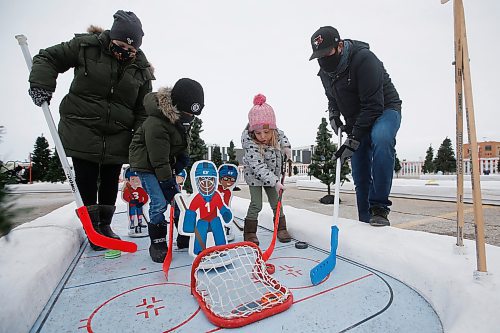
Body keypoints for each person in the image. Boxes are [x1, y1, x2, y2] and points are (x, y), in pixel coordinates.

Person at [28, 10, 154, 250]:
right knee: (85, 176)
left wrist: (139, 136)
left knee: (109, 179)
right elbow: (48, 57)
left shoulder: (140, 69)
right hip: (82, 124)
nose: (124, 54)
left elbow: (143, 108)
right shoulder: (86, 46)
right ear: (110, 39)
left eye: (130, 51)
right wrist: (41, 84)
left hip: (117, 131)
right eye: (119, 47)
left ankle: (104, 226)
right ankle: (91, 226)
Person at [309, 26, 402, 227]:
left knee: (382, 137)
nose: (324, 59)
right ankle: (365, 220)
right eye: (319, 55)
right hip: (356, 120)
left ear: (340, 45)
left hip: (384, 109)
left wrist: (353, 140)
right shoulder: (325, 72)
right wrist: (333, 114)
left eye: (327, 53)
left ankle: (379, 207)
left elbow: (373, 105)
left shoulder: (365, 60)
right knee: (360, 171)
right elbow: (331, 97)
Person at [129, 78, 204, 263]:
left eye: (192, 115)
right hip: (147, 165)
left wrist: (183, 159)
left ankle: (183, 235)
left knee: (178, 202)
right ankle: (158, 241)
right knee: (159, 202)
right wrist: (166, 182)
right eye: (186, 113)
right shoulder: (156, 122)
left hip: (164, 164)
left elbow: (182, 142)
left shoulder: (183, 119)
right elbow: (158, 158)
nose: (190, 118)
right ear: (177, 106)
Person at [241, 94, 292, 245]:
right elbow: (258, 167)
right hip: (255, 176)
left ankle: (281, 228)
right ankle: (249, 232)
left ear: (272, 129)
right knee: (257, 203)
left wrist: (286, 147)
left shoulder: (276, 133)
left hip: (273, 175)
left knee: (276, 202)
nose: (262, 136)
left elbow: (282, 136)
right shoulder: (250, 143)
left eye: (266, 132)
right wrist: (275, 182)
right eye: (258, 133)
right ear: (252, 131)